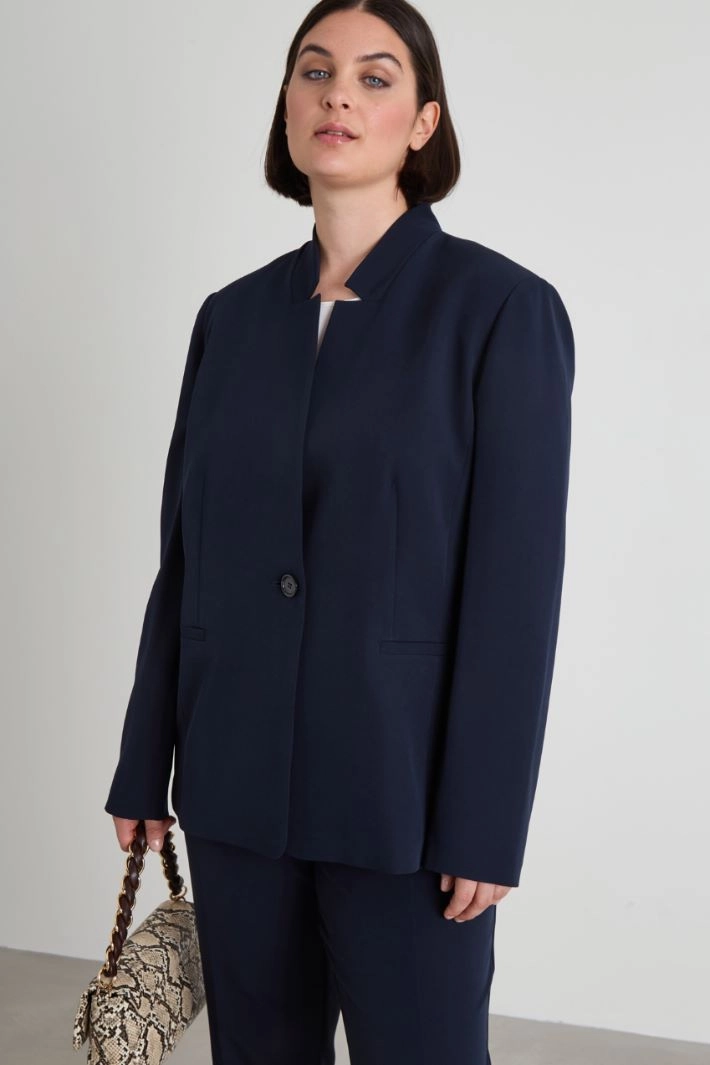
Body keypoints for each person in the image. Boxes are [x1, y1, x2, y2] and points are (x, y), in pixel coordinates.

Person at [104, 1, 575, 1062]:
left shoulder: (500, 311)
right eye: (314, 72)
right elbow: (187, 559)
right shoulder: (231, 318)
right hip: (235, 790)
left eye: (375, 77)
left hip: (404, 805)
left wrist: (486, 822)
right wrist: (144, 762)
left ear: (423, 122)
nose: (338, 97)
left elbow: (514, 591)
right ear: (285, 107)